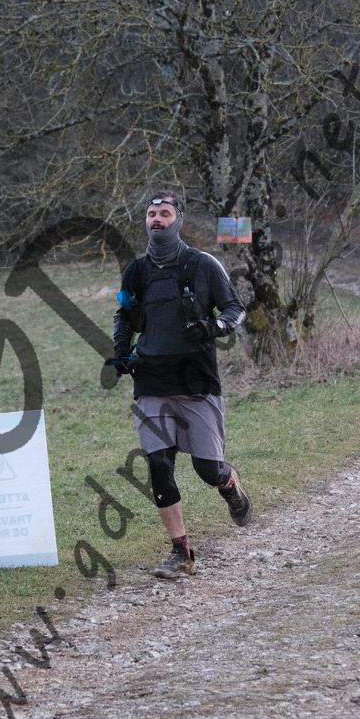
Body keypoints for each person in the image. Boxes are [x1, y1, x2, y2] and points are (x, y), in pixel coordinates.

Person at [108, 191, 251, 579]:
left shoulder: (203, 264)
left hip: (196, 380)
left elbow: (235, 309)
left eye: (165, 213)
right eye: (151, 214)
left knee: (208, 469)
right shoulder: (136, 271)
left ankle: (229, 484)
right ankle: (181, 551)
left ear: (179, 220)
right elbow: (124, 314)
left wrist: (213, 326)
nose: (157, 219)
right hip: (151, 380)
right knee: (158, 465)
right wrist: (121, 352)